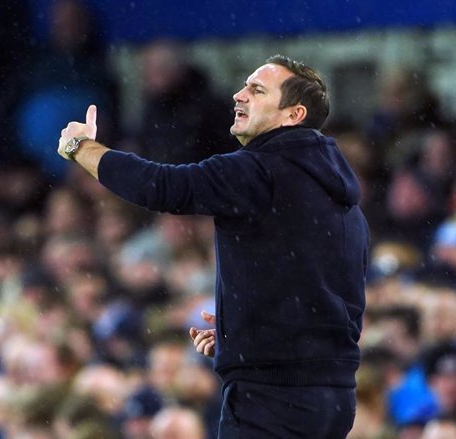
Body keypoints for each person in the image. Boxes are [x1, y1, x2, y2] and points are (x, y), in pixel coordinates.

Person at [57, 55, 369, 438]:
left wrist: (81, 147)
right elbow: (326, 293)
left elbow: (162, 187)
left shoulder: (258, 168)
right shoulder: (342, 198)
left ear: (293, 114)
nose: (239, 95)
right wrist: (244, 330)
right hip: (332, 398)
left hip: (272, 397)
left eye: (257, 90)